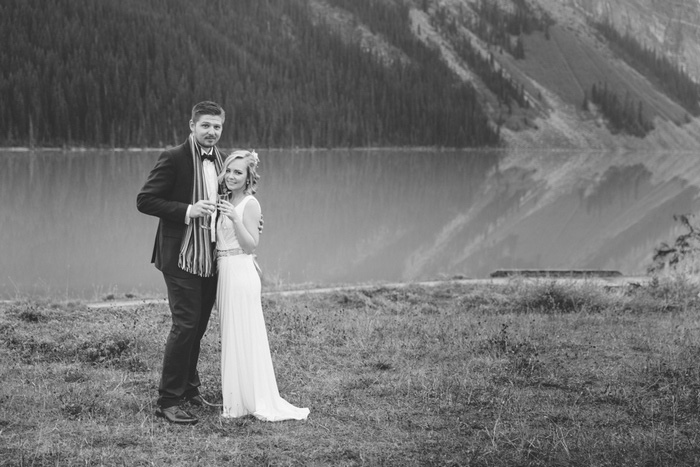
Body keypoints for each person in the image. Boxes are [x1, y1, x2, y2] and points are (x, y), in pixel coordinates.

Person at [136, 101, 226, 425]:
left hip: (211, 256)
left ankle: (190, 389)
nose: (211, 132)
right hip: (180, 256)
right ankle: (168, 401)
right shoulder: (173, 157)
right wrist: (189, 210)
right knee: (185, 325)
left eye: (216, 127)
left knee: (198, 327)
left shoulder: (222, 160)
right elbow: (145, 200)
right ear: (192, 126)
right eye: (205, 126)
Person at [215, 150, 310, 421]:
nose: (232, 176)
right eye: (229, 171)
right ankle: (237, 399)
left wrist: (234, 218)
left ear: (248, 178)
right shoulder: (225, 199)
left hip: (240, 272)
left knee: (244, 334)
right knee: (232, 336)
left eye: (238, 172)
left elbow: (250, 245)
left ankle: (248, 400)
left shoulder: (249, 203)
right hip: (225, 272)